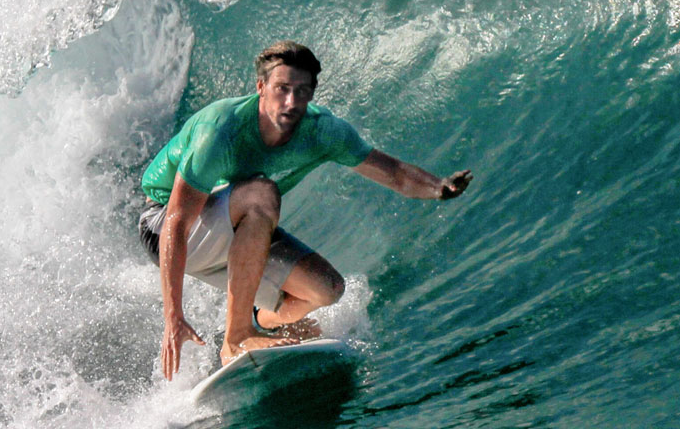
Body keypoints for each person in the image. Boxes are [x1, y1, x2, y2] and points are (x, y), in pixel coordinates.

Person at [138, 41, 472, 380]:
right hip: (163, 224)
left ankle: (258, 318)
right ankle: (237, 337)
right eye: (282, 89)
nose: (291, 102)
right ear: (260, 87)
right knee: (261, 194)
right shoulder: (221, 130)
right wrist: (173, 315)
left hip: (229, 230)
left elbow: (394, 173)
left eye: (302, 91)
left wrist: (438, 188)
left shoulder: (323, 132)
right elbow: (178, 222)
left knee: (326, 289)